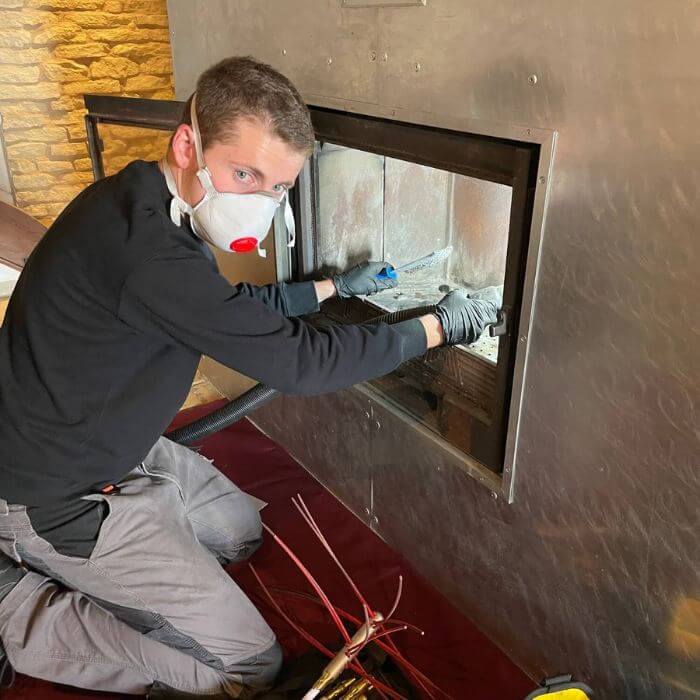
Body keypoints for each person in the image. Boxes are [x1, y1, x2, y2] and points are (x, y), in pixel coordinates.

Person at [0, 56, 500, 698]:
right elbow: (300, 363)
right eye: (246, 175)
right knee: (246, 668)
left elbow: (216, 313)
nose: (260, 204)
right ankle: (20, 605)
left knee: (240, 535)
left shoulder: (149, 200)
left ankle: (132, 551)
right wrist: (439, 327)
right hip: (50, 491)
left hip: (117, 446)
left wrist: (327, 289)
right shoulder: (145, 252)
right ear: (188, 144)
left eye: (277, 189)